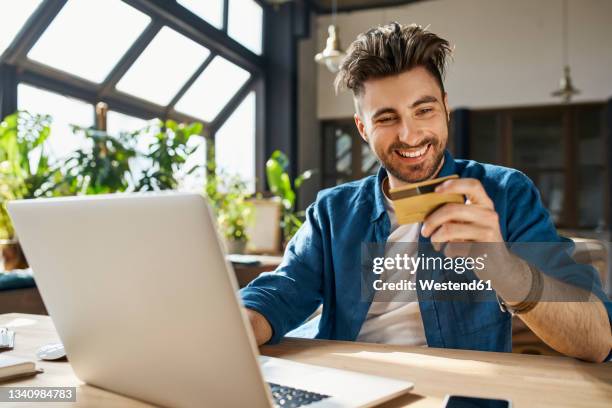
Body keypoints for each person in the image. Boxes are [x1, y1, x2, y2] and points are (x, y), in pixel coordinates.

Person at [240, 22, 612, 362]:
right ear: (363, 128)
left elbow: (598, 341)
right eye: (386, 118)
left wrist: (505, 270)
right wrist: (237, 324)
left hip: (459, 396)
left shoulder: (505, 193)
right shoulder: (332, 211)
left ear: (446, 109)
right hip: (347, 386)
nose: (410, 134)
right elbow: (282, 291)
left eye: (424, 110)